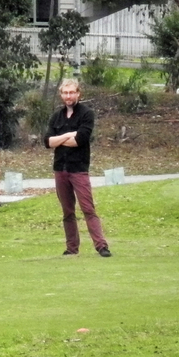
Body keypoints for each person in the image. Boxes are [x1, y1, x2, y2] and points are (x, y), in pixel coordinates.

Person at [42, 78, 111, 257]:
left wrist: (61, 139)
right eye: (65, 93)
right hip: (60, 169)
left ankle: (101, 246)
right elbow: (48, 142)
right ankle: (72, 248)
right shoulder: (56, 116)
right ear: (61, 95)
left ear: (78, 93)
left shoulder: (86, 114)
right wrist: (69, 134)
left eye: (72, 92)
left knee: (88, 208)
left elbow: (79, 140)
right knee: (67, 211)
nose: (68, 96)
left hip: (78, 169)